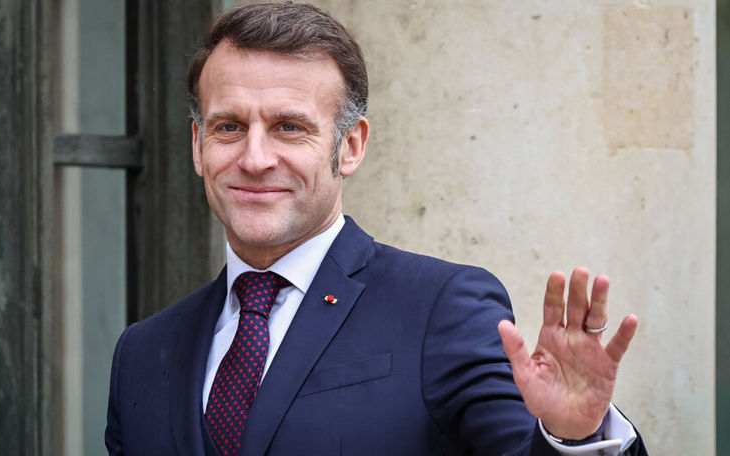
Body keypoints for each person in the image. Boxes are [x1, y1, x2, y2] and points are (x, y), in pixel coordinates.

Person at [105, 3, 648, 455]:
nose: (255, 158)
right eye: (229, 127)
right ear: (197, 145)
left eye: (289, 127)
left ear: (350, 146)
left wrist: (570, 438)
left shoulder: (440, 309)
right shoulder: (142, 352)